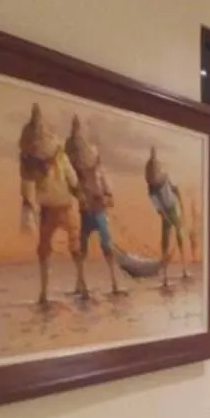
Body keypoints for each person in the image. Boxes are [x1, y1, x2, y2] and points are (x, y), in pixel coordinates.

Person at [19, 103, 85, 305]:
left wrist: (78, 191)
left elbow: (72, 179)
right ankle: (46, 291)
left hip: (62, 206)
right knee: (47, 249)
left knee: (72, 245)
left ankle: (77, 283)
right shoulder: (31, 162)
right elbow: (27, 186)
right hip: (50, 209)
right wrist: (28, 206)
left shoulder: (57, 157)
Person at [65, 116, 122, 297]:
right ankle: (80, 284)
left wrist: (102, 200)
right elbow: (73, 190)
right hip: (85, 214)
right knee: (82, 249)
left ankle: (114, 283)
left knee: (106, 246)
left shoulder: (100, 175)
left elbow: (110, 198)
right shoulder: (77, 178)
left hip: (98, 214)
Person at [144, 146, 188, 286]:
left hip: (172, 208)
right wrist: (164, 215)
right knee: (165, 240)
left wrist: (181, 204)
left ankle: (184, 268)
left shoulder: (166, 177)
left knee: (179, 233)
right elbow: (157, 206)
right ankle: (165, 275)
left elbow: (176, 190)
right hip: (165, 212)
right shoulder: (151, 188)